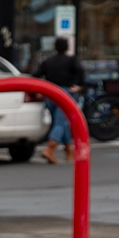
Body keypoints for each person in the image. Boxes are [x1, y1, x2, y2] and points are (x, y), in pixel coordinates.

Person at [34, 37, 86, 165]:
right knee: (61, 122)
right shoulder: (71, 60)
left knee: (60, 122)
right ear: (67, 47)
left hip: (50, 93)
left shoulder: (48, 61)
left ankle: (68, 149)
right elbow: (81, 72)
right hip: (65, 93)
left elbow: (36, 75)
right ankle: (50, 148)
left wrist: (38, 90)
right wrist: (79, 85)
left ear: (55, 47)